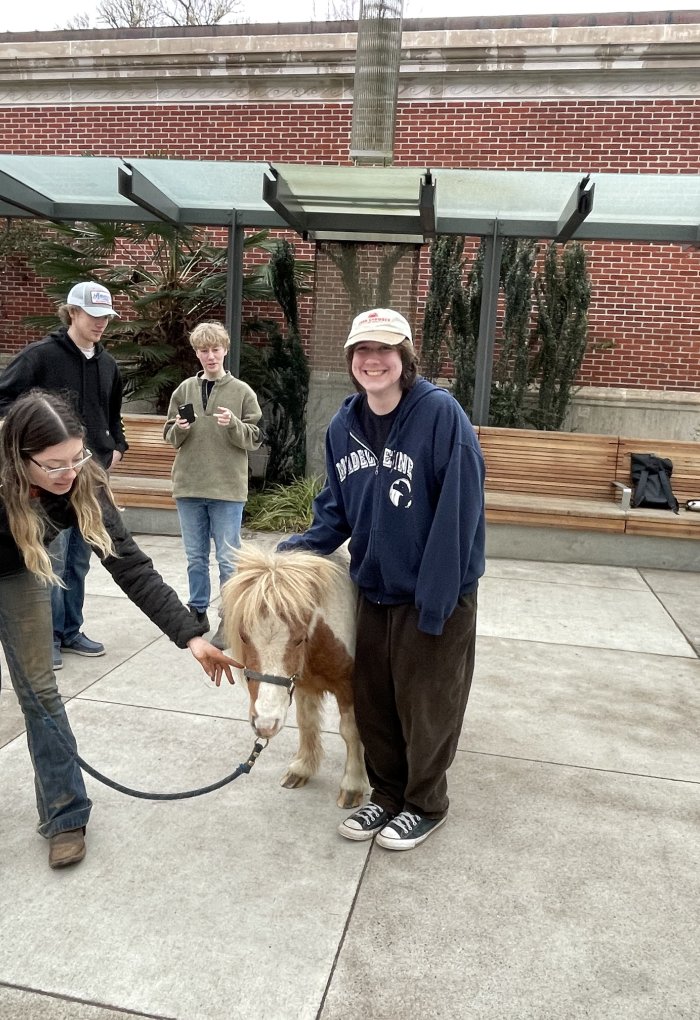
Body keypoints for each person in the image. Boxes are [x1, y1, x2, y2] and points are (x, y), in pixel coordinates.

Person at [0, 389, 237, 870]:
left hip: (17, 572)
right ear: (17, 458)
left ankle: (66, 815)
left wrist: (190, 634)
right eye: (53, 464)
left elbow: (130, 565)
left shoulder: (81, 481)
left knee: (41, 692)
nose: (69, 472)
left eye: (76, 457)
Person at [278, 308, 485, 851]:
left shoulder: (441, 415)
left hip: (433, 595)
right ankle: (388, 797)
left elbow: (458, 517)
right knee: (376, 703)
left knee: (428, 706)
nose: (373, 360)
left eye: (384, 350)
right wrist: (284, 555)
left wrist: (436, 605)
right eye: (362, 351)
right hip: (374, 591)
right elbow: (335, 513)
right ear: (351, 360)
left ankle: (424, 804)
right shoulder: (344, 426)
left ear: (405, 357)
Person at [0, 281, 128, 671]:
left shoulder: (108, 364)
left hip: (90, 476)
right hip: (48, 480)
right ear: (72, 312)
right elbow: (5, 401)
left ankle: (71, 629)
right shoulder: (39, 357)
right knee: (50, 560)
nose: (101, 323)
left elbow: (113, 412)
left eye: (106, 317)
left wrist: (116, 445)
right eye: (94, 315)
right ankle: (49, 636)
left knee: (79, 560)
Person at [164, 322, 264, 650]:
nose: (210, 355)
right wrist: (179, 428)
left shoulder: (242, 392)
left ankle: (230, 616)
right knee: (194, 557)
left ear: (225, 349)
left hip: (227, 490)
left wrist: (234, 425)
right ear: (196, 353)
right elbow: (169, 436)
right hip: (189, 486)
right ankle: (197, 613)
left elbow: (254, 438)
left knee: (227, 559)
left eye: (215, 349)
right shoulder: (183, 391)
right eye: (203, 350)